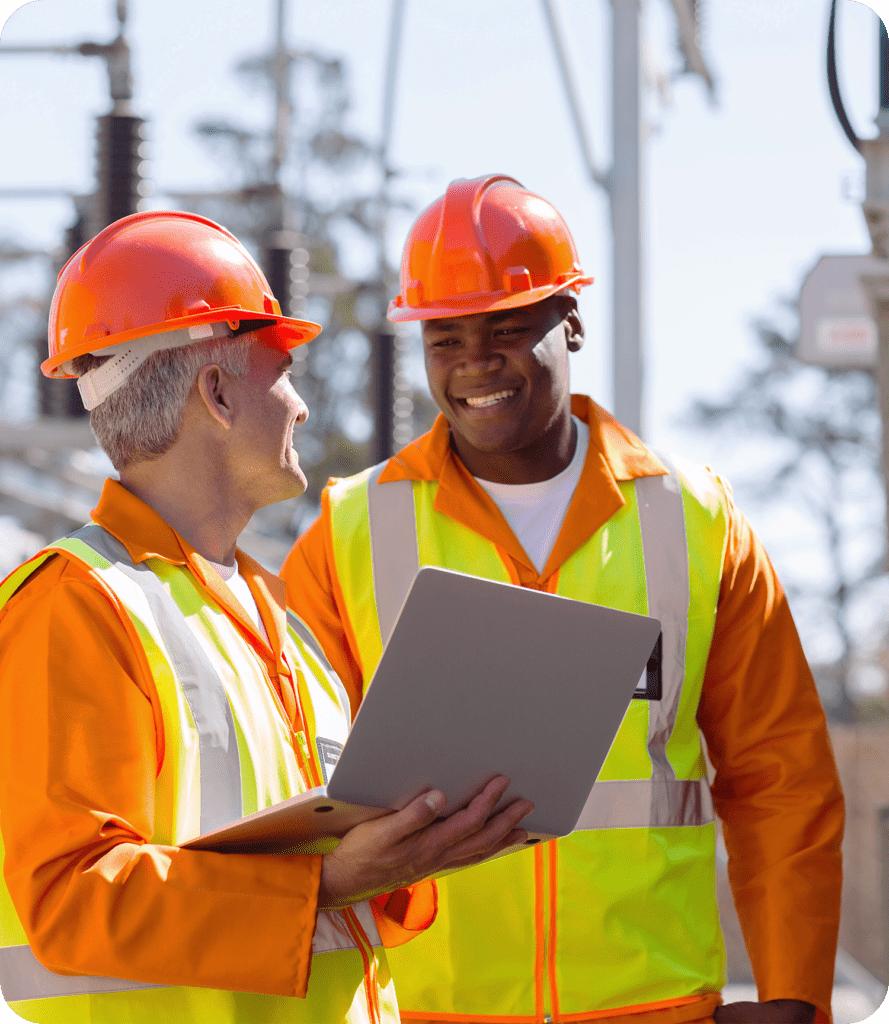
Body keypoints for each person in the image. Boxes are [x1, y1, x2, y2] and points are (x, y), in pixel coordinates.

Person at [282, 175, 845, 1024]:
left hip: (652, 1008)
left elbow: (781, 779)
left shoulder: (696, 521)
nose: (475, 362)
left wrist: (793, 993)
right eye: (445, 338)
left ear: (571, 321)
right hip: (431, 1010)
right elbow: (293, 788)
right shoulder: (348, 533)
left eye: (506, 329)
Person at [0, 209, 533, 1024]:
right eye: (281, 372)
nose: (300, 408)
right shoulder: (77, 607)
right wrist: (336, 879)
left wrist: (414, 849)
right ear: (215, 392)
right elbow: (76, 899)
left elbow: (328, 881)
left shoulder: (277, 617)